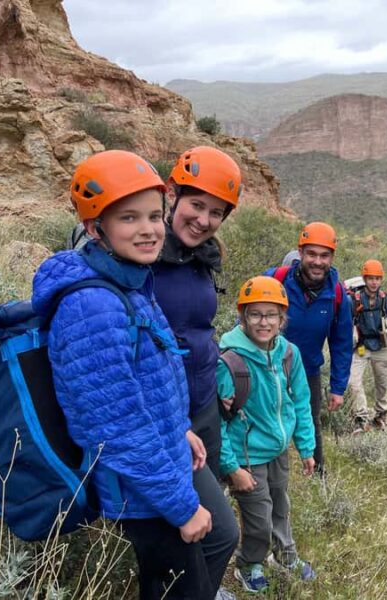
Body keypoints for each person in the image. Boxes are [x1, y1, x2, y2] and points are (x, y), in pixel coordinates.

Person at [32, 150, 237, 600]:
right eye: (129, 218)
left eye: (152, 215)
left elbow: (146, 378)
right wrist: (184, 509)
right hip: (144, 491)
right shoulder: (92, 306)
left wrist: (178, 427)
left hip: (159, 467)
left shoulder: (128, 280)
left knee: (191, 567)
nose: (148, 229)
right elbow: (116, 427)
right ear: (94, 227)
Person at [217, 276, 317, 593]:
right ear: (243, 316)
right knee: (258, 516)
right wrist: (232, 468)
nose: (264, 322)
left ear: (282, 318)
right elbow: (216, 421)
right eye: (255, 314)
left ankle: (285, 556)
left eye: (271, 314)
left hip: (277, 449)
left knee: (280, 506)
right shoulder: (229, 360)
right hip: (246, 456)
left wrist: (306, 447)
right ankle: (249, 563)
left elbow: (300, 402)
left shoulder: (289, 354)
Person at [153, 145, 242, 477]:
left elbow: (200, 330)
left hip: (204, 403)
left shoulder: (203, 259)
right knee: (210, 525)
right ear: (173, 196)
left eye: (216, 213)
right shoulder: (145, 256)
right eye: (196, 205)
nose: (204, 220)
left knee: (210, 498)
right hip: (164, 411)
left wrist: (221, 380)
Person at [264, 222, 353, 475]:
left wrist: (337, 388)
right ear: (300, 253)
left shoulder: (337, 294)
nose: (317, 261)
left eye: (324, 255)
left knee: (310, 423)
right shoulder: (275, 280)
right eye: (311, 254)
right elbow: (247, 320)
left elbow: (342, 343)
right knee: (263, 422)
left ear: (332, 257)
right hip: (267, 367)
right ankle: (263, 476)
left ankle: (317, 475)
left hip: (308, 371)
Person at [347, 259, 387, 433]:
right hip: (361, 346)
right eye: (370, 278)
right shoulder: (353, 300)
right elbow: (345, 322)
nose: (374, 282)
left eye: (377, 278)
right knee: (353, 381)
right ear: (364, 279)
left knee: (382, 382)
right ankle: (360, 417)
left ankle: (380, 414)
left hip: (382, 346)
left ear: (381, 280)